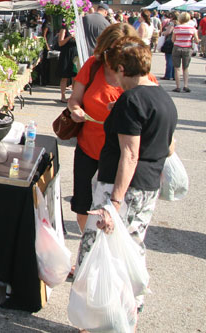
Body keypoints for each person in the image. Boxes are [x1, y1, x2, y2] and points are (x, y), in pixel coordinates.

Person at [77, 35, 177, 320]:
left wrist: (114, 203)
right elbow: (168, 146)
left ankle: (100, 317)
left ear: (121, 68)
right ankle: (129, 309)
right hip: (148, 186)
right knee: (131, 245)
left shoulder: (131, 101)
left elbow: (129, 155)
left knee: (99, 249)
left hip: (122, 187)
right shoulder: (162, 97)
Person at [67, 23, 155, 234]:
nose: (112, 58)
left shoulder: (141, 75)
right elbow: (74, 99)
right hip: (89, 149)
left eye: (119, 52)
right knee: (82, 206)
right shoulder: (93, 65)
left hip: (119, 155)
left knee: (116, 212)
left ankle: (104, 249)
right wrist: (75, 110)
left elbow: (151, 107)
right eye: (109, 51)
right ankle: (88, 241)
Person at [171, 11, 199, 92]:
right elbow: (196, 40)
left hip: (177, 48)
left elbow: (173, 39)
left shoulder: (177, 28)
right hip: (187, 48)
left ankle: (178, 86)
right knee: (185, 68)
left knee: (177, 68)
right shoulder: (192, 29)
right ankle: (186, 85)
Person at [56, 23, 77, 102]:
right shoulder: (64, 29)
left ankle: (73, 96)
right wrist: (69, 37)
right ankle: (63, 96)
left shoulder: (78, 28)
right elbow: (60, 43)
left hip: (75, 53)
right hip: (66, 53)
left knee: (75, 76)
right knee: (64, 76)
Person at [159, 12, 177, 80]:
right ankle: (174, 75)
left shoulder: (172, 23)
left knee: (169, 59)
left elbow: (168, 32)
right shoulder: (180, 23)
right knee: (175, 60)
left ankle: (168, 75)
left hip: (170, 41)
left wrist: (163, 33)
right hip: (177, 42)